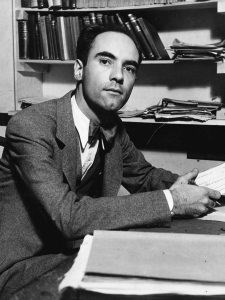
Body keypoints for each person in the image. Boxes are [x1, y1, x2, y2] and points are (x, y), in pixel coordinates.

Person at [0, 24, 221, 298]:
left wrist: (210, 187)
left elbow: (144, 176)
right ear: (79, 69)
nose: (118, 76)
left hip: (77, 251)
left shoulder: (111, 126)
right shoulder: (31, 126)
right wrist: (174, 201)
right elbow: (69, 217)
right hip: (21, 269)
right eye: (105, 61)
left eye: (129, 68)